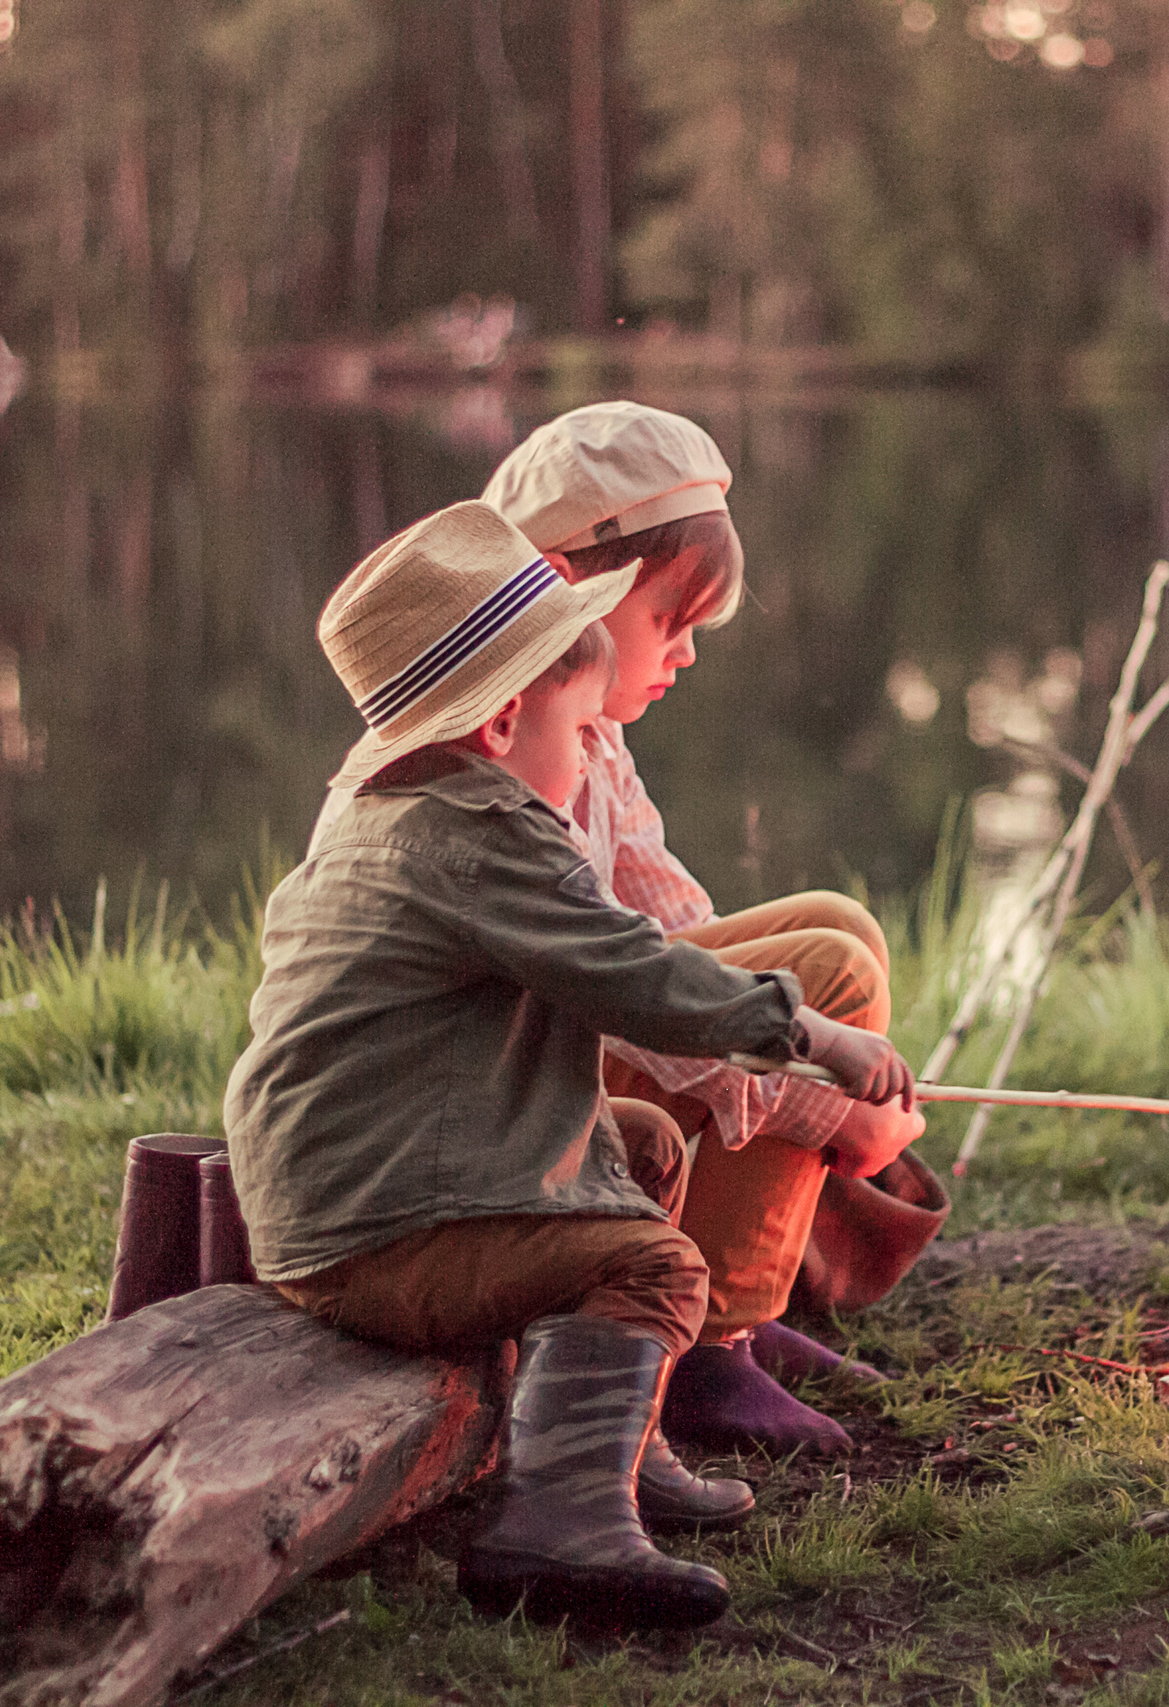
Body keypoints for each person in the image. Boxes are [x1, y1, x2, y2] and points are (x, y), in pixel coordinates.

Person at [225, 499, 920, 1629]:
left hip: (345, 1196)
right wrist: (813, 1036)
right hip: (381, 1233)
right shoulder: (483, 838)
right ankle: (553, 1531)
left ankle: (611, 1451)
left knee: (634, 1144)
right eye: (579, 726)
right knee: (658, 1269)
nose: (591, 749)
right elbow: (640, 975)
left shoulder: (388, 812)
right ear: (502, 726)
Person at [480, 402, 949, 1458]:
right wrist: (827, 1116)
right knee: (817, 975)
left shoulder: (590, 733)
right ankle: (706, 1347)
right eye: (671, 623)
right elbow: (634, 1013)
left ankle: (756, 1294)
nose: (686, 656)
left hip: (596, 1040)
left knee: (828, 933)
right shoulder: (514, 754)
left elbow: (673, 924)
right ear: (569, 590)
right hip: (516, 1097)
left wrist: (824, 1069)